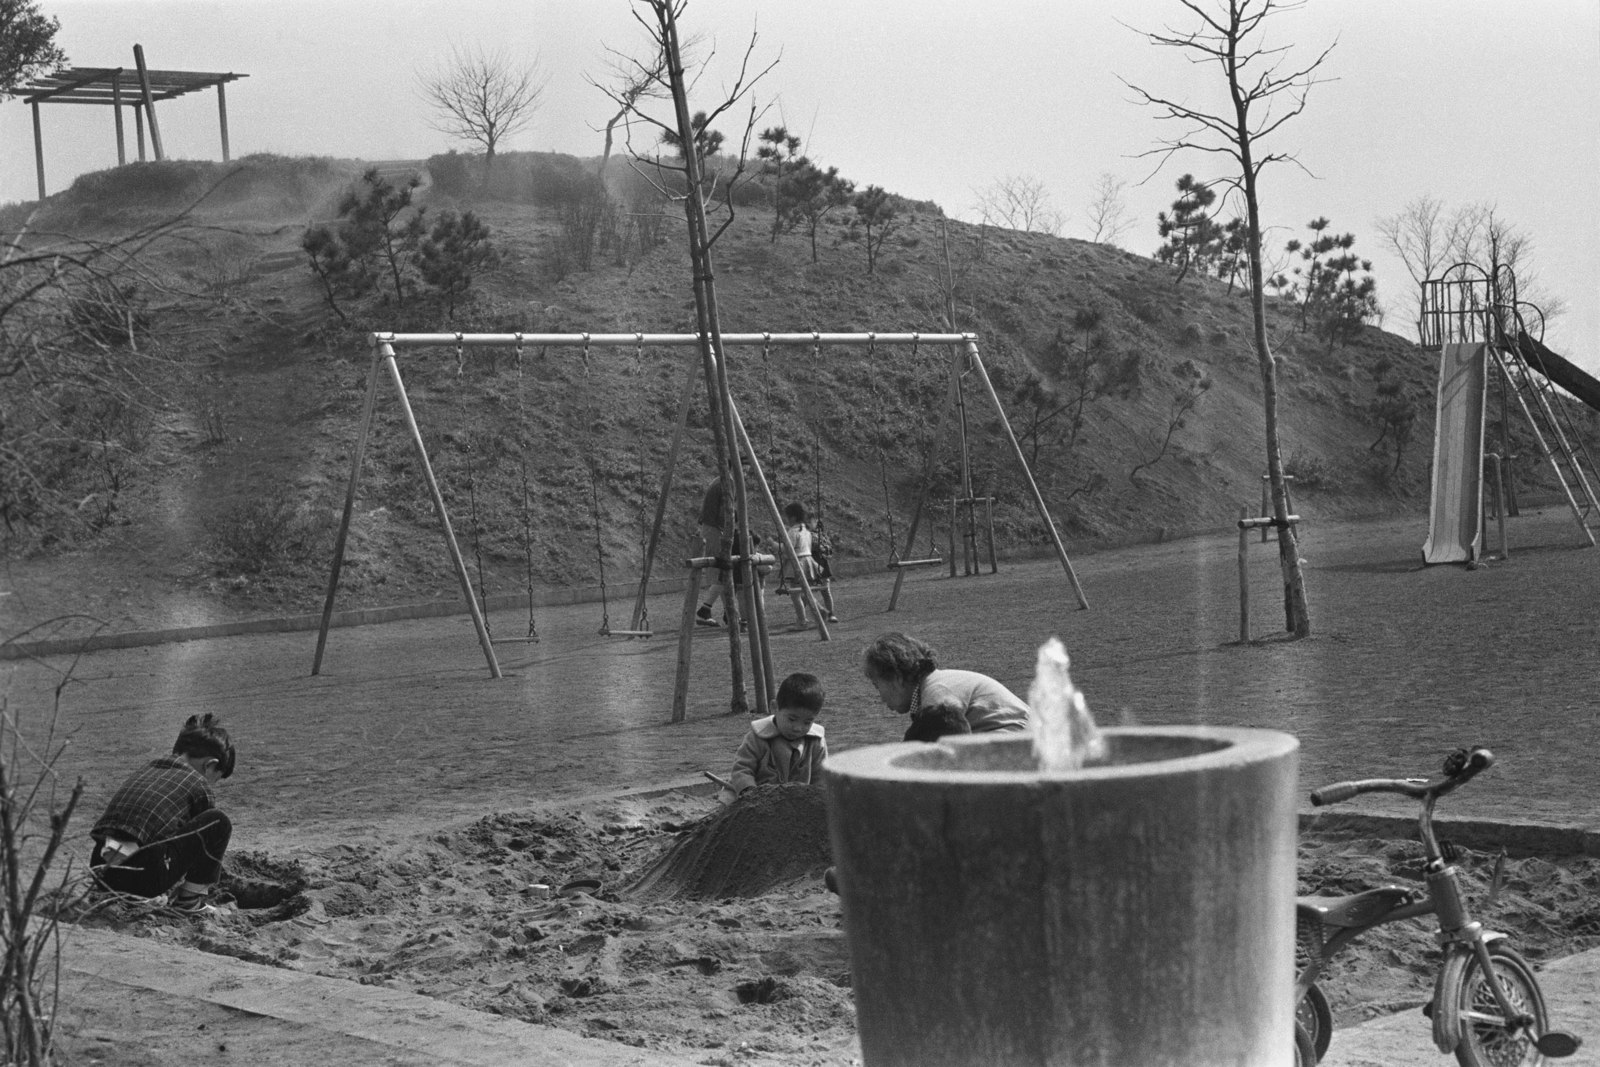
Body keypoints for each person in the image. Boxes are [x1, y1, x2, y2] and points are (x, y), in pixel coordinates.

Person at [89, 713, 237, 913]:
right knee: (218, 822)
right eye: (215, 778)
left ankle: (124, 895)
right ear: (209, 765)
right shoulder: (198, 784)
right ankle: (190, 901)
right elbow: (200, 845)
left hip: (101, 869)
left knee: (140, 833)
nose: (211, 784)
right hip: (144, 879)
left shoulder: (149, 768)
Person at [862, 631, 1030, 733]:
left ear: (896, 677)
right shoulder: (935, 685)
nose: (881, 698)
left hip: (1020, 742)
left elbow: (945, 738)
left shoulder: (937, 694)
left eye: (877, 686)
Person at [728, 672, 827, 795]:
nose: (798, 728)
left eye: (807, 722)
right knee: (728, 797)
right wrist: (749, 792)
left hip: (799, 804)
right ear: (774, 707)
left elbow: (821, 778)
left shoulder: (816, 742)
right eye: (792, 719)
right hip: (756, 802)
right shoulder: (757, 737)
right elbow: (742, 769)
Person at [780, 502, 835, 630]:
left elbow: (789, 551)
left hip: (798, 563)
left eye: (787, 517)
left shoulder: (793, 531)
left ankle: (802, 621)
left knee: (796, 595)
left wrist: (775, 546)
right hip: (808, 562)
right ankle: (820, 610)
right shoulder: (806, 530)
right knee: (805, 592)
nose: (787, 520)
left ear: (793, 517)